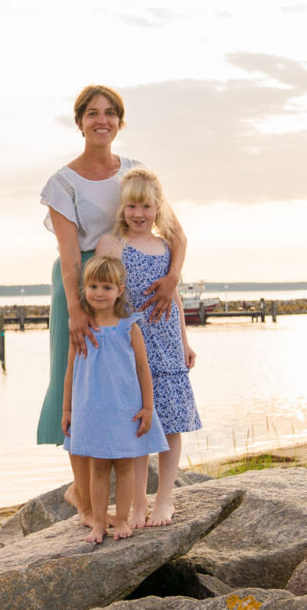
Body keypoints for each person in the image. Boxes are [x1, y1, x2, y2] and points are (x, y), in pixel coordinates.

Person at [38, 85, 187, 526]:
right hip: (83, 283)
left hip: (135, 278)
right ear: (79, 120)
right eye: (92, 113)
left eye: (110, 113)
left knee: (125, 383)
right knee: (80, 379)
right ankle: (85, 502)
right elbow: (69, 256)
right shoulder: (62, 183)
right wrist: (77, 308)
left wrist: (172, 280)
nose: (101, 120)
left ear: (120, 122)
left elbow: (175, 231)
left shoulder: (136, 171)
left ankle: (99, 493)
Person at [95, 168, 202, 528]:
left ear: (157, 208)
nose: (138, 214)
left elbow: (173, 299)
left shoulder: (166, 245)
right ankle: (138, 501)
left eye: (145, 206)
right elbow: (104, 295)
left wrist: (185, 342)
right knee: (139, 421)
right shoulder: (112, 245)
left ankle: (165, 500)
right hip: (131, 343)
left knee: (170, 424)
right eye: (131, 206)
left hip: (168, 338)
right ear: (122, 208)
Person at [61, 256, 168, 542]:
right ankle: (98, 523)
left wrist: (147, 407)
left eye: (107, 287)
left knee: (124, 466)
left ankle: (121, 520)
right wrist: (67, 409)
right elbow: (70, 370)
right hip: (91, 410)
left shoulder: (128, 327)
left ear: (120, 290)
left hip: (125, 409)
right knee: (97, 468)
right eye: (93, 286)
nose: (99, 292)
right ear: (84, 289)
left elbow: (144, 369)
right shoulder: (82, 329)